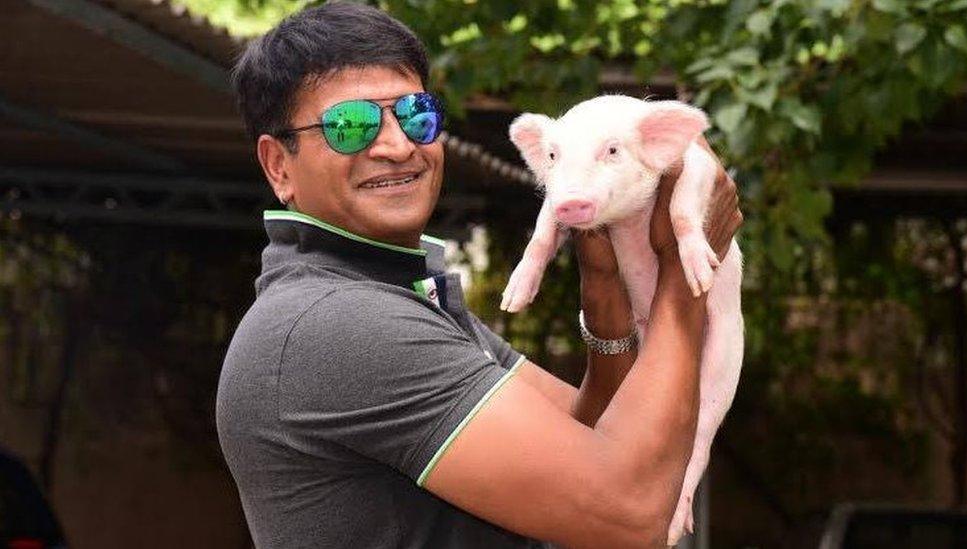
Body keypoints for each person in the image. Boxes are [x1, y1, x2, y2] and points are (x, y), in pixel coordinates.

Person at [215, 3, 743, 548]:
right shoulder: (339, 325)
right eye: (351, 126)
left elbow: (590, 438)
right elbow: (631, 514)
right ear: (279, 165)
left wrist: (604, 288)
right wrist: (688, 268)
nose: (398, 146)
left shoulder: (399, 297)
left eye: (416, 114)